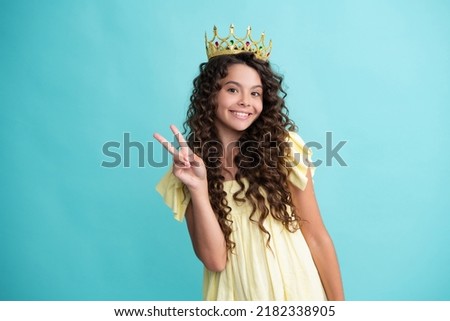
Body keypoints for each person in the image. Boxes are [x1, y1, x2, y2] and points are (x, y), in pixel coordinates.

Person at [154, 25, 344, 301]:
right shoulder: (188, 167)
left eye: (255, 93)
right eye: (233, 90)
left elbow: (316, 236)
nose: (246, 102)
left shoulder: (284, 150)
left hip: (297, 293)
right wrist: (198, 189)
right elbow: (215, 260)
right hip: (233, 296)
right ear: (211, 95)